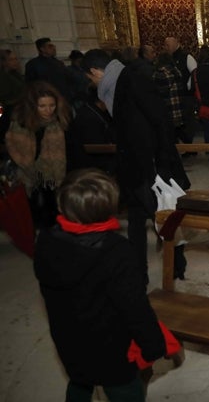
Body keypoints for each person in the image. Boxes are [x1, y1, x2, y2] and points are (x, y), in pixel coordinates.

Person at [33, 169, 171, 401]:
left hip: (69, 341)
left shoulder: (46, 242)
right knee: (126, 391)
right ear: (110, 207)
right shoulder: (116, 252)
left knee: (79, 382)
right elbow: (134, 307)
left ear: (62, 204)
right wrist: (153, 345)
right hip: (112, 349)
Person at [82, 48, 189, 283]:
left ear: (95, 71)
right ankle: (139, 273)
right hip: (133, 168)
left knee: (161, 218)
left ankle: (176, 264)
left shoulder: (131, 80)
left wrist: (161, 164)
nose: (91, 83)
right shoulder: (115, 85)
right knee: (136, 222)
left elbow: (161, 121)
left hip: (148, 168)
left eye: (90, 78)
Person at [4, 81, 73, 229]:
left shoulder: (60, 121)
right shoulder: (20, 123)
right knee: (30, 211)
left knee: (52, 210)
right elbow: (13, 147)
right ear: (32, 106)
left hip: (51, 176)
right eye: (42, 106)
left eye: (51, 105)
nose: (48, 110)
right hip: (25, 173)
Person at [164, 37, 197, 146]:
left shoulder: (186, 57)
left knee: (187, 121)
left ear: (176, 44)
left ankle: (189, 145)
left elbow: (195, 74)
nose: (166, 48)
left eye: (168, 45)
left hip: (186, 96)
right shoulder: (168, 58)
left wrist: (188, 87)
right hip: (173, 97)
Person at [24, 37, 74, 105]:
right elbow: (31, 85)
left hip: (63, 99)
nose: (53, 48)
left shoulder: (59, 63)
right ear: (42, 49)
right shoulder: (33, 64)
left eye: (53, 46)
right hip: (46, 100)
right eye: (50, 46)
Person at [152, 52, 186, 144]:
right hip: (177, 105)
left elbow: (159, 91)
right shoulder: (176, 71)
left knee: (169, 133)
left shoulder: (160, 74)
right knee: (177, 130)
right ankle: (187, 147)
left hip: (167, 106)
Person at [0, 49, 25, 142]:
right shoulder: (3, 77)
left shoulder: (14, 74)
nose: (15, 62)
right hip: (9, 114)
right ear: (3, 62)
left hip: (18, 111)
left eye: (15, 59)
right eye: (11, 59)